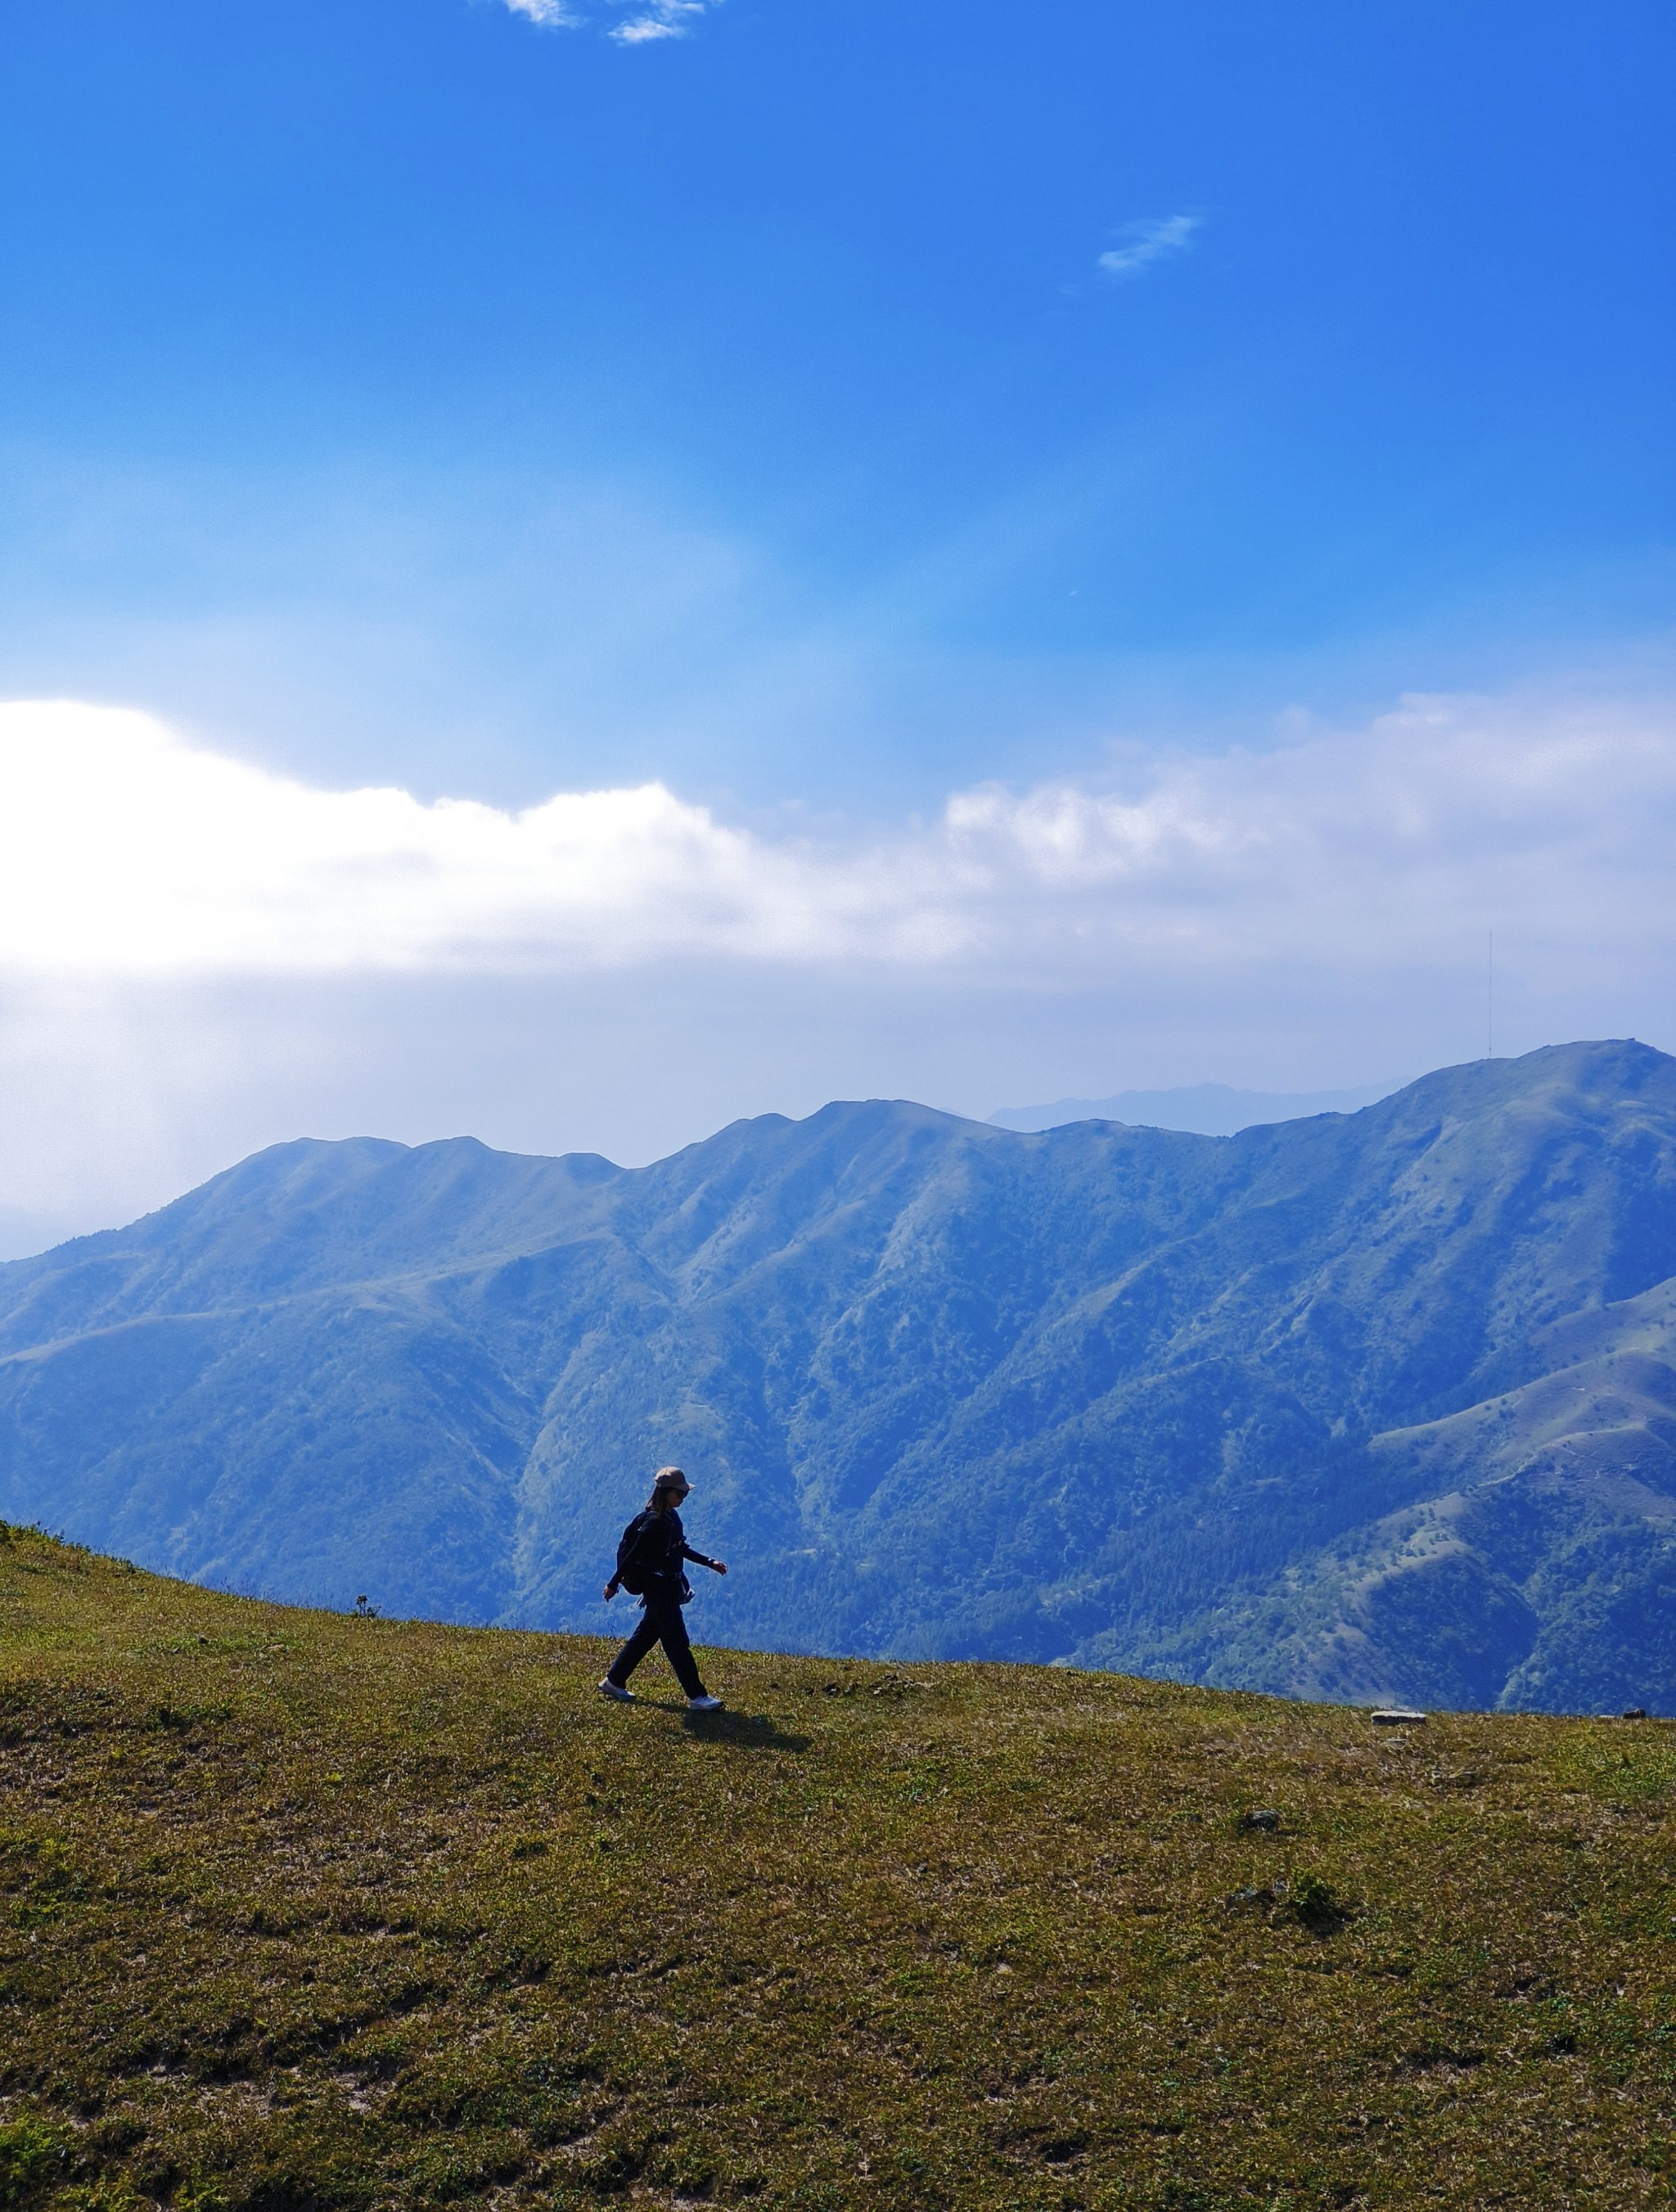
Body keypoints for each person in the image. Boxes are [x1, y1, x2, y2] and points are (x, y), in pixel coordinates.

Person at [599, 1466, 728, 1710]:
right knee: (677, 1643)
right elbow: (634, 1553)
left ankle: (614, 1681)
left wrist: (710, 1562)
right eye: (680, 1494)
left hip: (667, 1587)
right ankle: (698, 1697)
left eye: (684, 1495)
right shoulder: (654, 1522)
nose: (682, 1499)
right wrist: (613, 1584)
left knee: (645, 1637)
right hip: (658, 1590)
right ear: (665, 1493)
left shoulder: (671, 1518)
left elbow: (681, 1549)